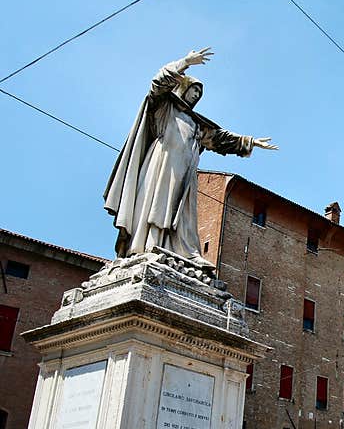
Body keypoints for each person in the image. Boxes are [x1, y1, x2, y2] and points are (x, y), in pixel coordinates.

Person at [103, 47, 277, 267]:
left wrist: (250, 141)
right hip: (162, 165)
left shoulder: (195, 123)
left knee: (183, 214)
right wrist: (185, 62)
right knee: (157, 203)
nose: (196, 96)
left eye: (199, 94)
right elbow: (157, 85)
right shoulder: (164, 108)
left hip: (186, 175)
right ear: (181, 88)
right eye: (193, 90)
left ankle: (180, 251)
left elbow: (219, 138)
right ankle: (148, 245)